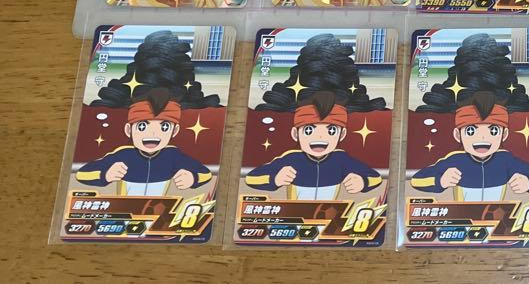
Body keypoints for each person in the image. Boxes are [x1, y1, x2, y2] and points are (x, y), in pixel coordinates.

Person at [409, 92, 529, 201]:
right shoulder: (455, 160)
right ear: (458, 135)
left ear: (504, 134)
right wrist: (441, 181)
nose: (482, 138)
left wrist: (528, 182)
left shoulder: (505, 160)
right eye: (471, 131)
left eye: (493, 131)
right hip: (463, 221)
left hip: (498, 220)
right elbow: (416, 180)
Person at [245, 91, 382, 200]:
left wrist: (362, 182)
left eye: (331, 130)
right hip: (295, 219)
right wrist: (275, 179)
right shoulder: (292, 159)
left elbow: (376, 178)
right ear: (295, 134)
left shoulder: (341, 159)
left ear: (342, 134)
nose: (320, 137)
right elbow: (251, 178)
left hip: (328, 218)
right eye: (309, 130)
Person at [74, 88, 211, 195]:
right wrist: (106, 175)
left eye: (164, 127)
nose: (153, 134)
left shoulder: (173, 156)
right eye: (142, 126)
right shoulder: (123, 155)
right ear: (129, 130)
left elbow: (206, 174)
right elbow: (82, 174)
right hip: (124, 213)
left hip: (160, 213)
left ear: (174, 131)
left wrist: (192, 178)